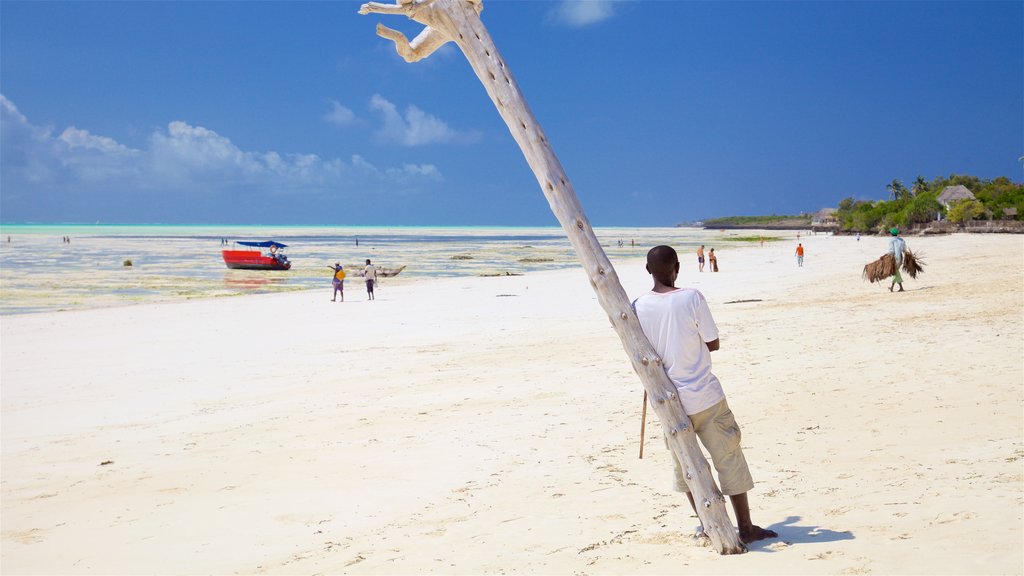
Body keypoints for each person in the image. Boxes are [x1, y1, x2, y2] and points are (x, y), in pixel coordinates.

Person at [633, 245, 777, 545]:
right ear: (677, 268)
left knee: (685, 466)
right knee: (729, 457)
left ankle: (706, 524)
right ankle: (746, 527)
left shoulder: (637, 305)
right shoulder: (691, 297)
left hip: (669, 403)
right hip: (705, 397)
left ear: (648, 270)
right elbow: (712, 343)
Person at [887, 227, 906, 292]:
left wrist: (887, 257)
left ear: (891, 234)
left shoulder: (891, 240)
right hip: (900, 258)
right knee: (896, 272)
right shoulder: (902, 240)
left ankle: (892, 287)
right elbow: (904, 249)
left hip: (894, 258)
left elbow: (891, 251)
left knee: (895, 272)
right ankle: (900, 288)